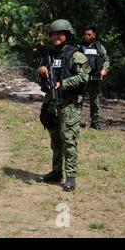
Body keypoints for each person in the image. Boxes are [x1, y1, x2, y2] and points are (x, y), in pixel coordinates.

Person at [37, 19, 90, 192]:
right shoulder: (50, 54)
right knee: (55, 140)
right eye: (53, 34)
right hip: (52, 102)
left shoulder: (76, 55)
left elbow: (84, 77)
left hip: (69, 104)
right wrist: (41, 71)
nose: (56, 37)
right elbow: (41, 73)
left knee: (69, 140)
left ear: (67, 35)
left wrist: (63, 84)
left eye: (59, 34)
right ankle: (56, 172)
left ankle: (71, 177)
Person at [81, 26, 110, 130]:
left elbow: (106, 59)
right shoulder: (79, 47)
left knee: (95, 101)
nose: (86, 36)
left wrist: (104, 69)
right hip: (82, 78)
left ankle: (95, 122)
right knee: (78, 99)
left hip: (95, 78)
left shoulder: (99, 47)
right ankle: (75, 121)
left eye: (89, 34)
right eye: (85, 34)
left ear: (94, 35)